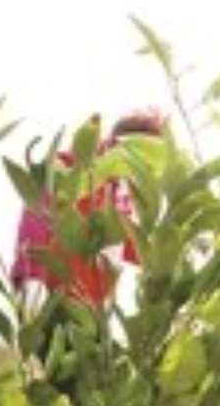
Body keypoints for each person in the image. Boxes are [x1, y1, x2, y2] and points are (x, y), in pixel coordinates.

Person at [10, 108, 167, 306]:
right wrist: (30, 283)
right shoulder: (67, 168)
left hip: (95, 313)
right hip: (49, 303)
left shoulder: (125, 192)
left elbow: (135, 250)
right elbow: (35, 224)